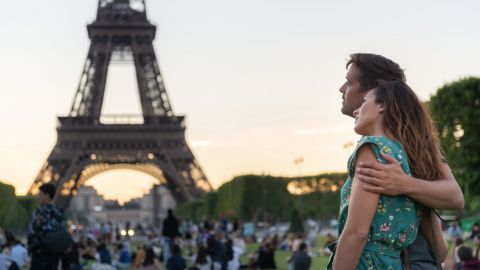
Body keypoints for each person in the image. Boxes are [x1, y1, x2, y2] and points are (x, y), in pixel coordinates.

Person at [336, 53, 462, 268]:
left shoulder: (381, 146)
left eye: (349, 82)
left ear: (378, 96)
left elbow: (455, 197)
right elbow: (440, 250)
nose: (341, 88)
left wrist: (404, 184)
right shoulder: (398, 143)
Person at [27, 182, 66, 270]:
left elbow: (31, 233)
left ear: (47, 195)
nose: (38, 197)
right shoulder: (59, 213)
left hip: (39, 255)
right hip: (54, 257)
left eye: (40, 194)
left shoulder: (38, 213)